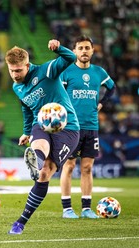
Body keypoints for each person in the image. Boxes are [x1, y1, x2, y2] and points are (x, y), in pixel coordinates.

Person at [5, 40, 80, 235]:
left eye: (18, 70)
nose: (15, 75)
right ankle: (36, 160)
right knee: (42, 169)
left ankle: (37, 164)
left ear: (27, 65)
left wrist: (58, 48)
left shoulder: (47, 70)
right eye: (11, 70)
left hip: (68, 128)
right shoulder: (17, 87)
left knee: (46, 172)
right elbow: (27, 109)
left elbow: (71, 58)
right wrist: (26, 131)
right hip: (42, 122)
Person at [59, 35, 116, 219]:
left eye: (87, 48)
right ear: (74, 51)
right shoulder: (66, 72)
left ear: (92, 51)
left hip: (92, 126)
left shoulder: (98, 72)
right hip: (71, 128)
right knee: (68, 166)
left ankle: (86, 208)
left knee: (87, 168)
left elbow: (112, 87)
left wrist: (101, 104)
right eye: (80, 48)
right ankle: (67, 208)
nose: (84, 51)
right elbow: (57, 93)